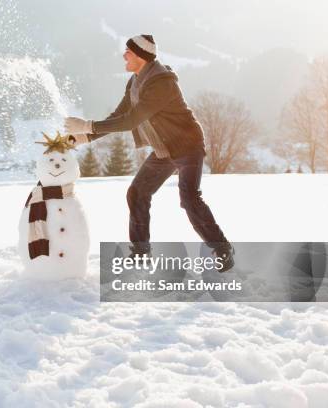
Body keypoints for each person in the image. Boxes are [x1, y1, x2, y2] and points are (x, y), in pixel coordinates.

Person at [64, 34, 234, 272]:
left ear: (141, 56)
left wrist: (88, 125)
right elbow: (118, 117)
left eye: (128, 52)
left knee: (189, 198)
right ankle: (140, 253)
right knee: (137, 192)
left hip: (187, 146)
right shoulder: (134, 81)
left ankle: (223, 249)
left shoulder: (162, 82)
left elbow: (133, 120)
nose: (124, 55)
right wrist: (86, 137)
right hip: (164, 149)